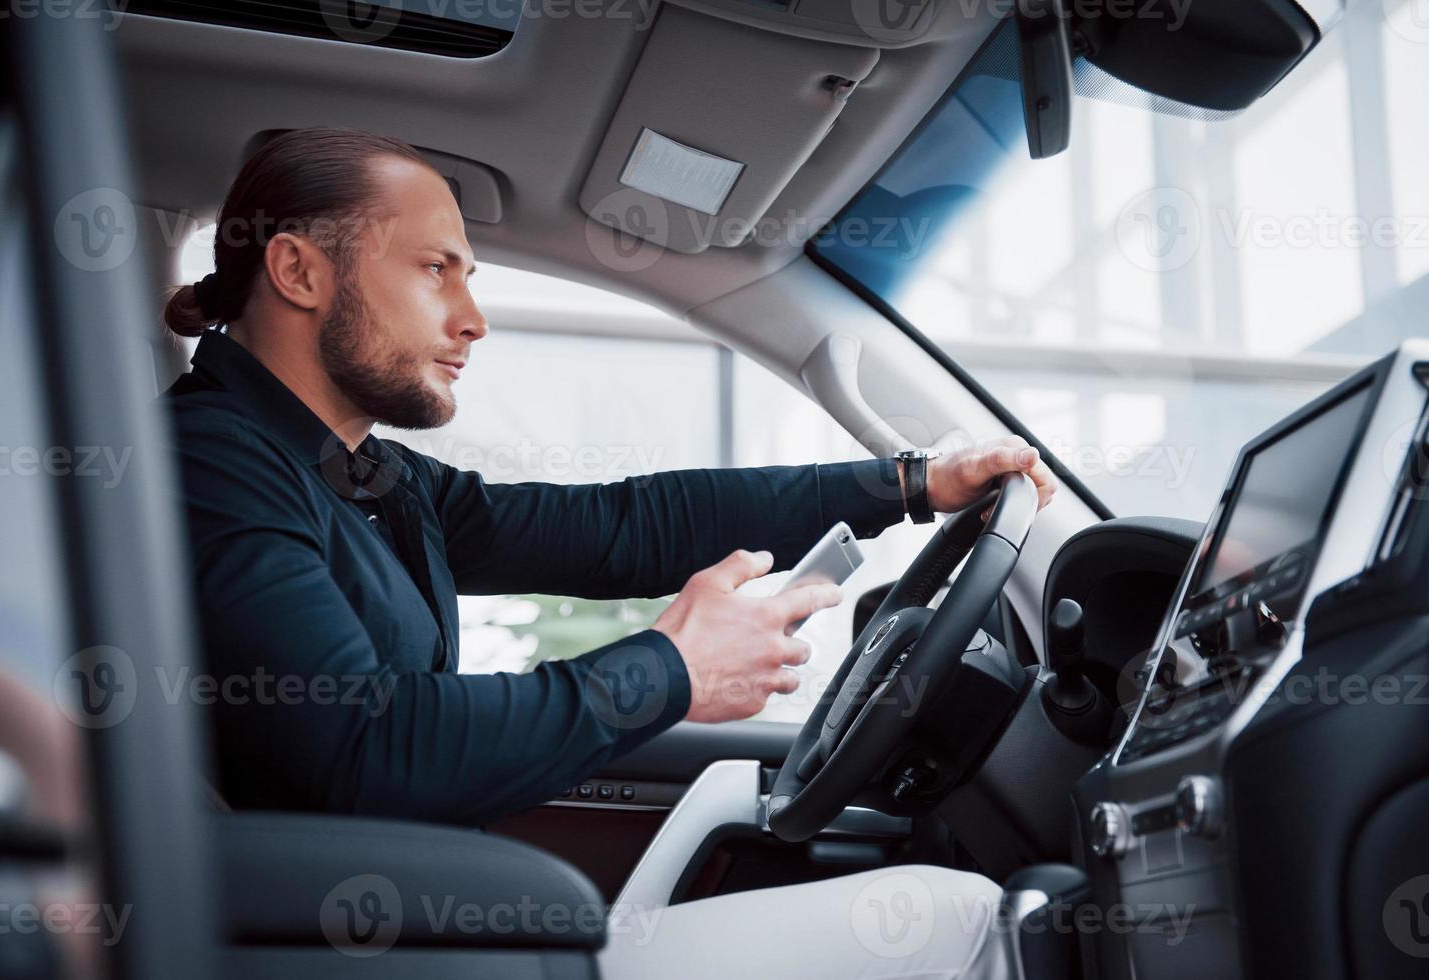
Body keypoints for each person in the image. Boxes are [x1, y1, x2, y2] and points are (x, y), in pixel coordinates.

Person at [162, 128, 1054, 978]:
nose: (474, 320)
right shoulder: (210, 462)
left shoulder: (364, 474)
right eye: (436, 270)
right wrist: (667, 672)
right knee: (966, 920)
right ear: (297, 271)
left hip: (429, 923)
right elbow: (358, 752)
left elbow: (623, 526)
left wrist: (909, 485)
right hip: (363, 948)